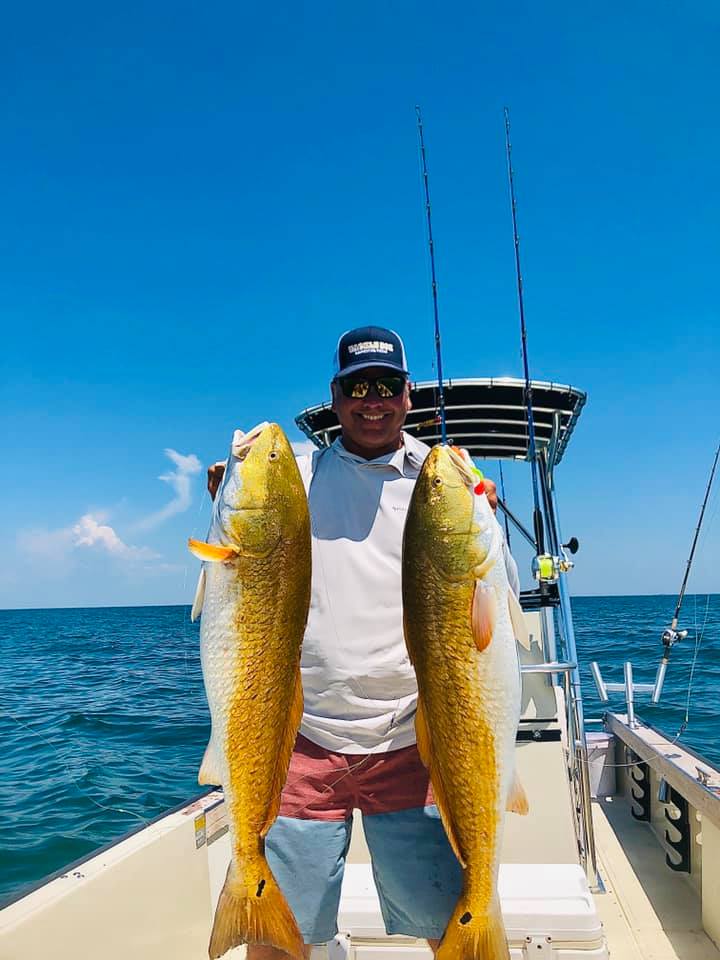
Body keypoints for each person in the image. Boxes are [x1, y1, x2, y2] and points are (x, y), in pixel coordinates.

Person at [207, 326, 519, 958]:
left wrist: (483, 507)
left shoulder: (445, 480)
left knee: (446, 923)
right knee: (278, 939)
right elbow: (240, 540)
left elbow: (496, 597)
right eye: (357, 387)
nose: (371, 400)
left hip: (415, 736)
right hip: (302, 738)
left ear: (408, 395)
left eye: (386, 385)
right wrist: (223, 489)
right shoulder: (292, 472)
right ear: (335, 395)